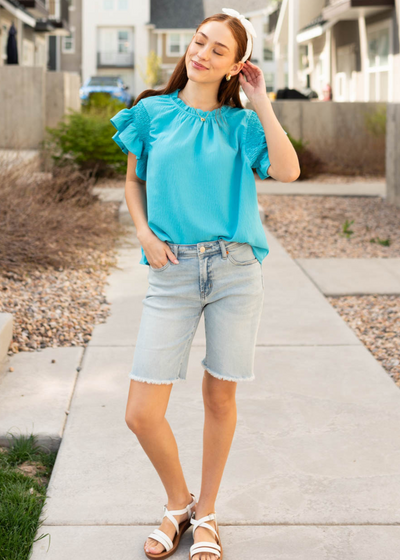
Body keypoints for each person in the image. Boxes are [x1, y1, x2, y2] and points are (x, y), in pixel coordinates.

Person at [110, 8, 300, 560]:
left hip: (235, 271)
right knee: (141, 412)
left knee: (220, 395)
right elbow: (133, 183)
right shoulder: (150, 113)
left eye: (219, 49)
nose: (202, 54)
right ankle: (179, 504)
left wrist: (261, 102)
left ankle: (207, 513)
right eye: (200, 42)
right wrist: (144, 234)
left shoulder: (243, 126)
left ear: (235, 65)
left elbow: (287, 172)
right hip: (171, 272)